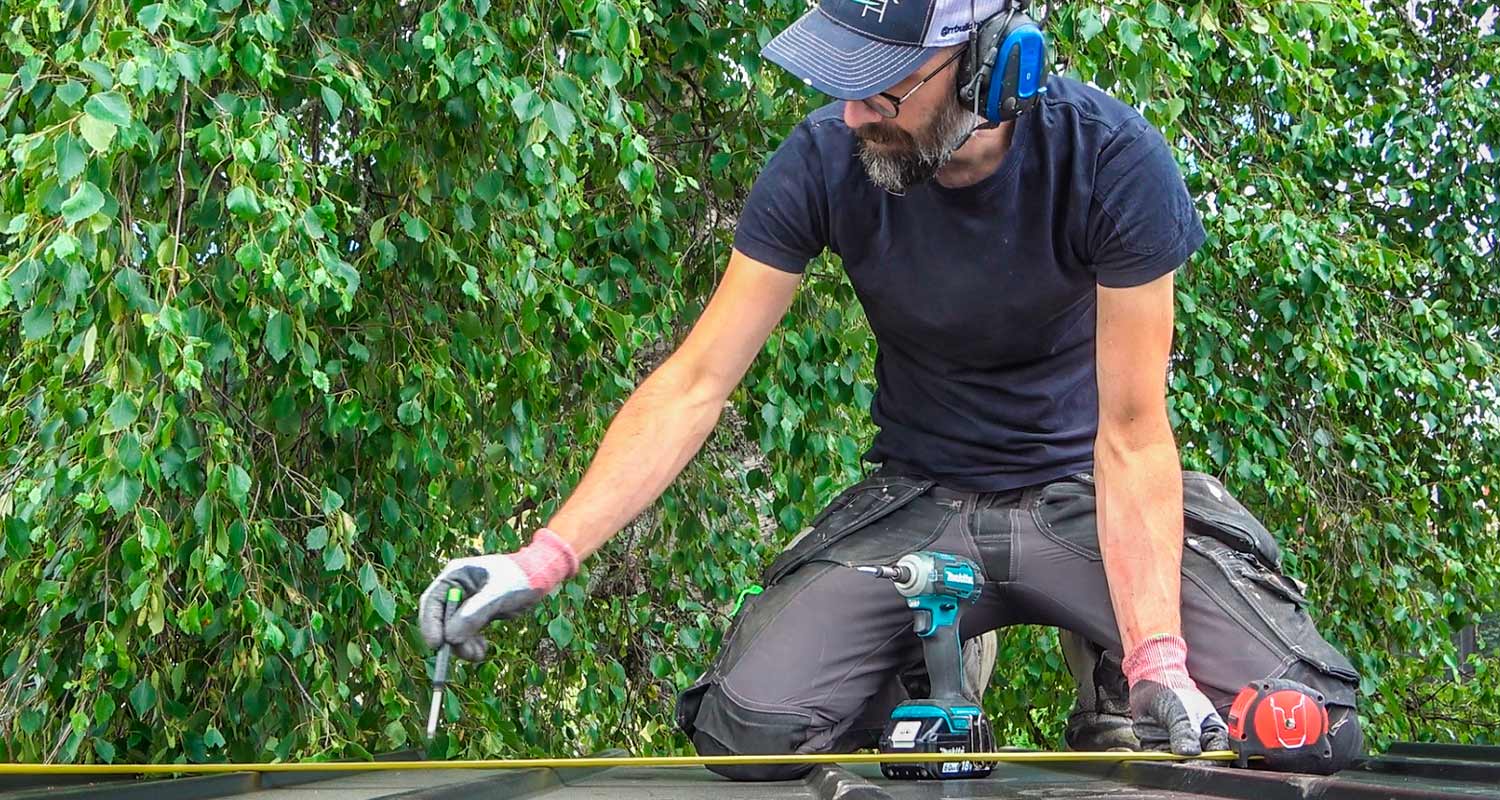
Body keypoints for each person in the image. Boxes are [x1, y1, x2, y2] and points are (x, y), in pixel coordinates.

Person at [418, 0, 1365, 779]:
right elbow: (695, 383)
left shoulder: (1112, 164)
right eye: (840, 84)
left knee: (1305, 723)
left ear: (996, 66)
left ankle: (1117, 665)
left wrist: (1161, 653)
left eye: (881, 88)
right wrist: (543, 559)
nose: (851, 115)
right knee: (751, 736)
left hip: (1088, 498)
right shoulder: (827, 159)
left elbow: (1130, 434)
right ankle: (935, 654)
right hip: (922, 505)